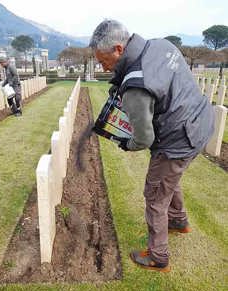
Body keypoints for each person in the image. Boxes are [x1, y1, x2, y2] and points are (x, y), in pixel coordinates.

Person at [89, 20, 214, 272]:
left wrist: (125, 143)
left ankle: (158, 256)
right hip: (201, 124)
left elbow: (143, 139)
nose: (102, 67)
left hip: (177, 139)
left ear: (118, 49)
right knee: (170, 179)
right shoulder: (160, 45)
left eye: (103, 61)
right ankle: (178, 221)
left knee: (155, 195)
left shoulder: (136, 86)